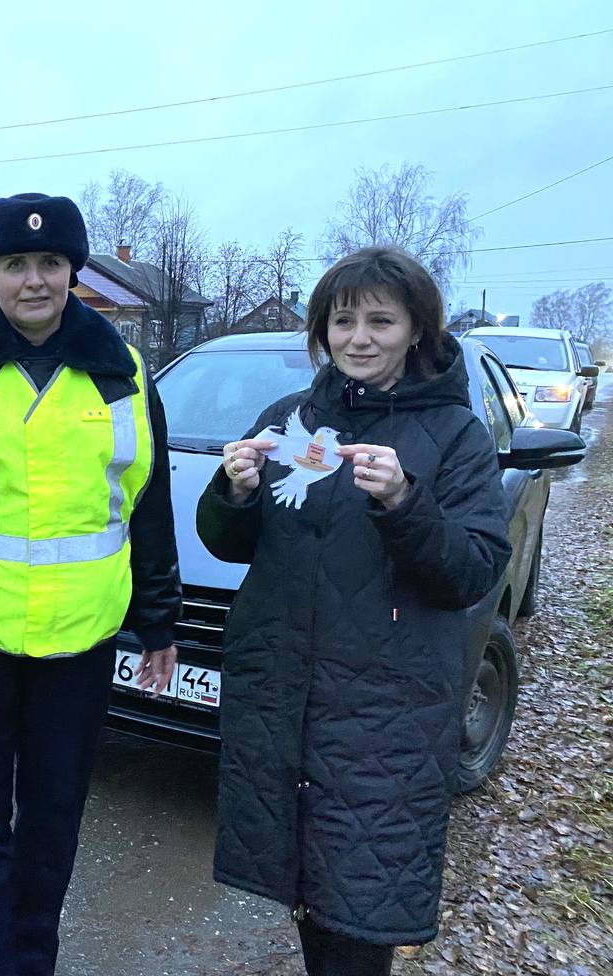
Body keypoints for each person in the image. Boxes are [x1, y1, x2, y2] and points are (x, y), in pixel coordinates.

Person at [197, 246, 511, 976]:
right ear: (323, 330)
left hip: (383, 719)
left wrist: (405, 502)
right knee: (306, 890)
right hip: (284, 706)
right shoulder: (292, 418)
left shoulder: (454, 435)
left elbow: (471, 571)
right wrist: (234, 490)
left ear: (416, 331)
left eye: (381, 320)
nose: (359, 338)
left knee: (361, 910)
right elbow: (233, 544)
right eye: (344, 321)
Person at [0, 192, 181, 976]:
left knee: (52, 827)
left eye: (50, 263)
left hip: (81, 644)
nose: (34, 280)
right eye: (14, 264)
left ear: (72, 269)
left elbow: (149, 502)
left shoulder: (124, 373)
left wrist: (159, 622)